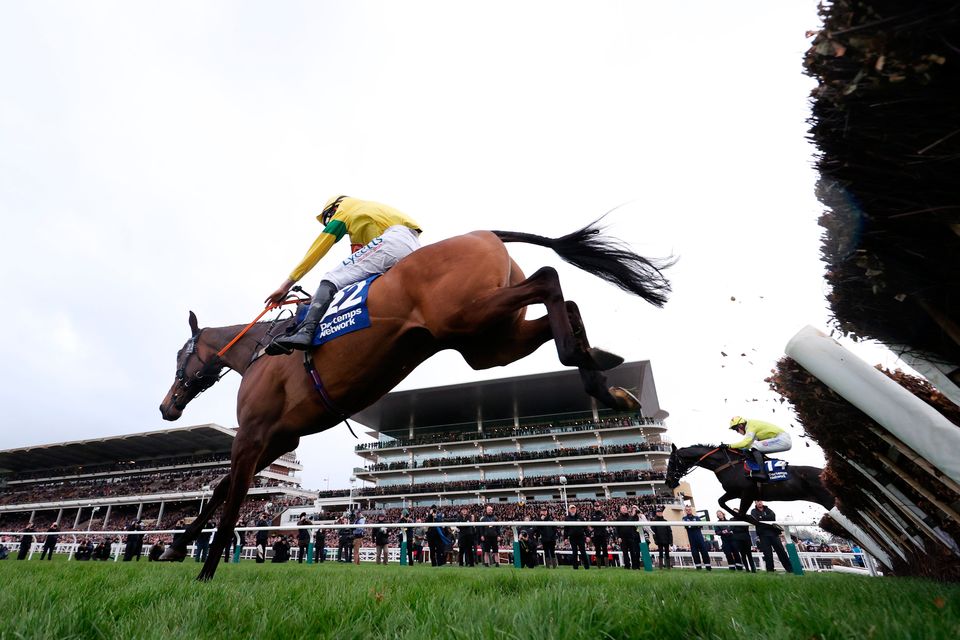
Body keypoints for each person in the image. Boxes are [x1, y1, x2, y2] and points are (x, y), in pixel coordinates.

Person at [265, 196, 423, 354]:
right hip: (412, 245)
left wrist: (285, 286)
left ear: (335, 208)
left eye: (329, 218)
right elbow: (355, 271)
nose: (330, 221)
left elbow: (317, 250)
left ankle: (305, 332)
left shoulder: (345, 209)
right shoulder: (364, 215)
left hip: (393, 241)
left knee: (331, 278)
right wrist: (318, 299)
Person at [728, 416, 792, 481]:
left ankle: (762, 473)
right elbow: (747, 446)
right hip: (780, 439)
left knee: (754, 446)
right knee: (749, 449)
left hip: (783, 439)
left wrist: (729, 446)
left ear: (740, 425)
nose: (737, 432)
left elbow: (745, 443)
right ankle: (759, 469)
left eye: (736, 429)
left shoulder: (751, 426)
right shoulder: (751, 427)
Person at [751, 501, 793, 573]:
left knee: (781, 552)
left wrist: (762, 517)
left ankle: (790, 569)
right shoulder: (753, 511)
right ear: (755, 503)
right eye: (757, 501)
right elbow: (756, 519)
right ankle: (770, 571)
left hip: (773, 534)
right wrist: (765, 518)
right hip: (763, 535)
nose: (759, 503)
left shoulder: (768, 509)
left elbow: (773, 517)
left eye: (760, 501)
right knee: (767, 554)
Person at [682, 506, 712, 570]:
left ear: (691, 510)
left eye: (689, 509)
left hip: (699, 537)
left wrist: (691, 525)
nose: (688, 511)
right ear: (685, 511)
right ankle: (698, 567)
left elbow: (700, 525)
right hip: (691, 538)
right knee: (695, 552)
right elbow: (687, 526)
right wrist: (694, 525)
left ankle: (708, 567)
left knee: (704, 551)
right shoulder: (684, 518)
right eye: (687, 510)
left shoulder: (697, 517)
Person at [564, 504, 590, 570]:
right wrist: (565, 538)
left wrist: (588, 536)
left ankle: (587, 567)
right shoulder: (567, 518)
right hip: (572, 538)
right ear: (569, 510)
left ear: (575, 509)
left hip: (581, 537)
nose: (573, 510)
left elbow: (585, 527)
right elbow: (566, 529)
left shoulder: (580, 517)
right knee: (574, 553)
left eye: (574, 508)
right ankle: (575, 567)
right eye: (571, 509)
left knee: (583, 552)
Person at [615, 504, 639, 570]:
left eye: (625, 508)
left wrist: (635, 511)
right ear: (620, 510)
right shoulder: (618, 518)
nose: (625, 509)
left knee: (633, 552)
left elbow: (636, 520)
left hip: (631, 537)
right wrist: (618, 537)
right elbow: (617, 529)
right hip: (623, 538)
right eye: (623, 508)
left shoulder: (631, 517)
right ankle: (627, 566)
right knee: (625, 553)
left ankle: (634, 566)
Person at [590, 502, 609, 568]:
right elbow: (592, 524)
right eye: (596, 506)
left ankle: (607, 566)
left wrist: (597, 521)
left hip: (603, 534)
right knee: (597, 550)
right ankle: (599, 566)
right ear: (594, 507)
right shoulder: (592, 515)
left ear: (600, 507)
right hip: (596, 535)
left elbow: (604, 523)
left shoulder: (603, 514)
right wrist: (599, 521)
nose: (597, 507)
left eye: (598, 506)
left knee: (605, 549)